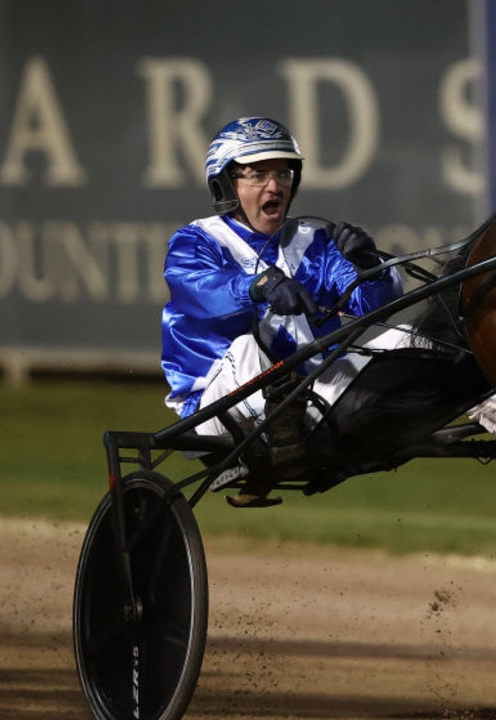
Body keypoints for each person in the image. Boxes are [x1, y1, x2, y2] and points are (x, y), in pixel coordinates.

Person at [160, 116, 405, 506]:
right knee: (245, 348)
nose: (275, 186)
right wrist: (259, 287)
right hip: (217, 412)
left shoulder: (313, 243)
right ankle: (276, 441)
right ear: (226, 184)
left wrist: (369, 265)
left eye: (283, 172)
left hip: (311, 399)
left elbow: (373, 305)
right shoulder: (196, 240)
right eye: (257, 174)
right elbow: (200, 293)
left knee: (412, 338)